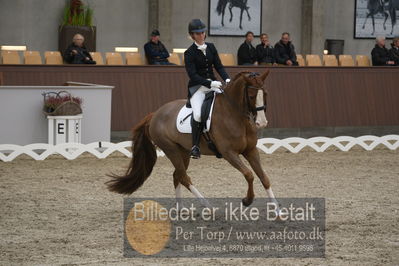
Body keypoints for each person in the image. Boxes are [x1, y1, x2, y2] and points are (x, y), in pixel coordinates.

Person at [184, 19, 230, 159]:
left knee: (227, 105)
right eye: (198, 33)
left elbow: (218, 66)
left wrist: (226, 78)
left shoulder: (211, 47)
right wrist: (210, 84)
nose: (201, 35)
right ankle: (195, 146)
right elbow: (193, 75)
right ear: (192, 35)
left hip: (214, 85)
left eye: (203, 32)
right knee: (198, 114)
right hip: (198, 88)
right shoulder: (189, 53)